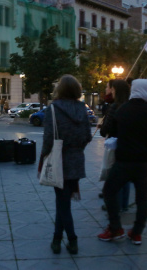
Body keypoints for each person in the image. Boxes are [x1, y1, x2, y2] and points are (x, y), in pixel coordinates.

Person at [97, 79, 147, 245]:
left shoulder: (123, 109)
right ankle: (137, 233)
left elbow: (112, 131)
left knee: (109, 191)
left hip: (125, 159)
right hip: (146, 161)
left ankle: (115, 227)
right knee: (142, 198)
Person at [39, 75, 92, 255]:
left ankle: (72, 239)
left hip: (59, 160)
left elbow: (48, 139)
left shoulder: (53, 109)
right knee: (63, 202)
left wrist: (43, 157)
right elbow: (87, 136)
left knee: (63, 204)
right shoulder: (82, 109)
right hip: (76, 160)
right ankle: (56, 239)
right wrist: (78, 149)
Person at [99, 80, 131, 212]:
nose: (107, 90)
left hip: (114, 146)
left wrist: (102, 127)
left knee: (114, 178)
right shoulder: (129, 105)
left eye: (108, 87)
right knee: (125, 177)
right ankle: (124, 204)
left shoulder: (114, 106)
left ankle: (113, 206)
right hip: (127, 145)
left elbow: (105, 130)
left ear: (114, 90)